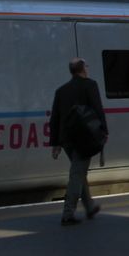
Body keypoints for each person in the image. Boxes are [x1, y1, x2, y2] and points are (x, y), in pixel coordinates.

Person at [49, 57, 107, 225]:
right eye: (86, 66)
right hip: (85, 138)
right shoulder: (90, 85)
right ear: (83, 69)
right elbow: (97, 109)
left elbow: (55, 118)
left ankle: (89, 207)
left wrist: (55, 143)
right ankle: (68, 214)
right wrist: (104, 131)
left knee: (79, 171)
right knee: (77, 174)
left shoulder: (61, 91)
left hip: (67, 139)